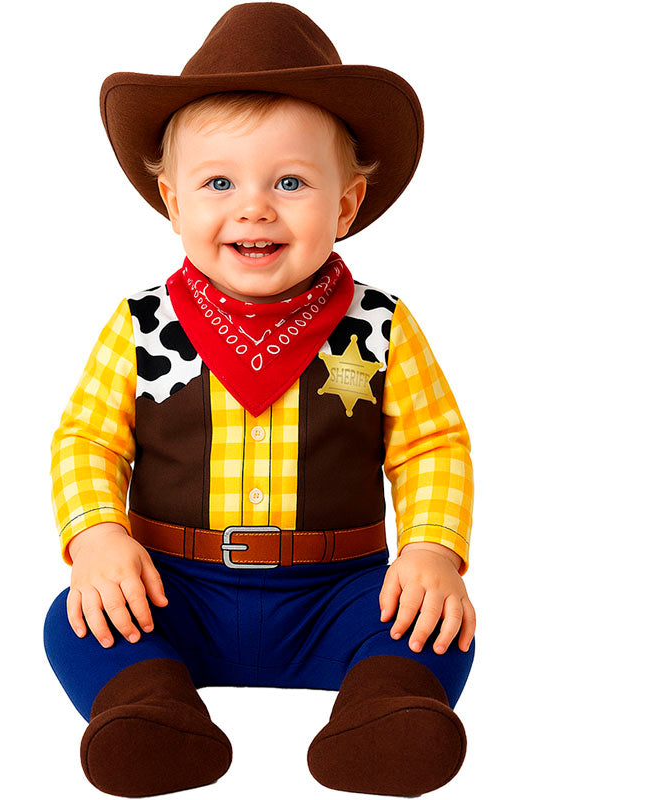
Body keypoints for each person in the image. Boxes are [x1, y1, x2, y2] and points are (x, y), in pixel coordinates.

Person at [44, 3, 477, 797]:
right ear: (172, 201)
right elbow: (88, 440)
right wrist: (98, 535)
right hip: (175, 588)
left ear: (345, 205)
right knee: (76, 619)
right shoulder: (144, 323)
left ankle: (384, 709)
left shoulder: (379, 325)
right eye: (219, 182)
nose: (254, 207)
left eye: (291, 182)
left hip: (337, 594)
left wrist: (431, 553)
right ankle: (151, 708)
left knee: (436, 623)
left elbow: (432, 444)